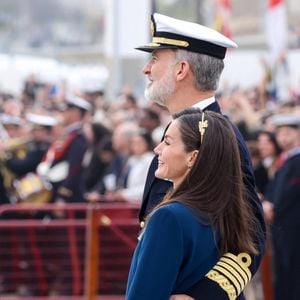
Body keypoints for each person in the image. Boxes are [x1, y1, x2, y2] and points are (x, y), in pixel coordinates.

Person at [135, 13, 266, 299]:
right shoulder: (184, 127)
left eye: (155, 59)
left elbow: (251, 234)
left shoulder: (219, 136)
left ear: (182, 69)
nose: (146, 69)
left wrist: (202, 296)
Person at [126, 108, 259, 299]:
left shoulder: (169, 217)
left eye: (168, 142)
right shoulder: (225, 212)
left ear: (193, 157)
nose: (158, 149)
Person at [263, 114, 300, 300]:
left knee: (293, 269)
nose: (283, 138)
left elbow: (291, 191)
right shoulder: (284, 159)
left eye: (288, 133)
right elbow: (274, 187)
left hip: (293, 225)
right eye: (280, 133)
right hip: (281, 225)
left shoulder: (297, 160)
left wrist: (273, 207)